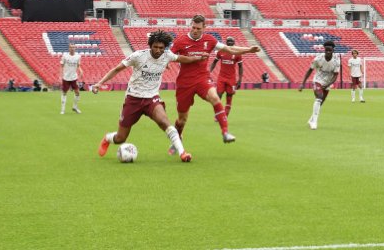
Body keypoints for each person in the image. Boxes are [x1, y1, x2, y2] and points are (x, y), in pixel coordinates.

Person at [90, 30, 207, 162]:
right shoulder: (138, 56)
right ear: (150, 46)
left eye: (161, 48)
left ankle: (182, 153)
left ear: (165, 48)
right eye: (155, 47)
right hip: (133, 98)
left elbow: (181, 58)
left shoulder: (167, 55)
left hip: (152, 98)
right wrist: (100, 83)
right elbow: (117, 69)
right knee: (120, 138)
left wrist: (197, 58)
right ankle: (107, 138)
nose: (158, 50)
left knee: (165, 122)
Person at [170, 15, 259, 146]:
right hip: (185, 82)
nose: (195, 30)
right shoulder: (180, 41)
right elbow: (169, 56)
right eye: (193, 27)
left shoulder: (209, 40)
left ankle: (225, 132)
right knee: (182, 119)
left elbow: (229, 49)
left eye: (198, 28)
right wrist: (166, 63)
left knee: (215, 98)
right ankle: (178, 137)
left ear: (204, 28)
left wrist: (249, 50)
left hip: (202, 78)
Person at [298, 40, 342, 129]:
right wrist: (303, 83)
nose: (328, 52)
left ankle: (311, 119)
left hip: (328, 82)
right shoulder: (318, 59)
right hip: (317, 80)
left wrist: (328, 84)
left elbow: (335, 75)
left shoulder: (337, 61)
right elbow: (310, 70)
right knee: (319, 97)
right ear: (324, 50)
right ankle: (314, 122)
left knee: (321, 102)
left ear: (333, 50)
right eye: (326, 50)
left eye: (330, 50)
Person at [209, 36, 245, 116]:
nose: (230, 43)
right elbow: (214, 62)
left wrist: (240, 80)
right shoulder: (221, 51)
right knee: (218, 96)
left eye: (231, 41)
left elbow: (240, 67)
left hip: (231, 79)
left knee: (229, 96)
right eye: (228, 41)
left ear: (234, 43)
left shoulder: (237, 53)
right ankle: (218, 114)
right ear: (226, 42)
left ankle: (225, 115)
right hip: (221, 77)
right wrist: (209, 72)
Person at [59, 43, 84, 114]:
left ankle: (75, 107)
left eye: (73, 47)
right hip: (66, 77)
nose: (72, 48)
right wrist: (60, 75)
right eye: (71, 47)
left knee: (77, 92)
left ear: (75, 48)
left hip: (74, 77)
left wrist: (80, 70)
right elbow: (61, 66)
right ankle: (62, 109)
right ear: (69, 48)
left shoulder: (78, 56)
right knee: (64, 93)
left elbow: (78, 65)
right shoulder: (65, 56)